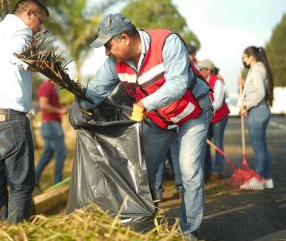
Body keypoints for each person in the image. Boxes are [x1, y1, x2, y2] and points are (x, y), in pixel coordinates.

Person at [79, 13, 212, 238]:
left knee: (189, 173)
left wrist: (144, 103)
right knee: (140, 172)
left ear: (125, 38)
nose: (107, 52)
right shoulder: (114, 64)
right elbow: (96, 90)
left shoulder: (167, 43)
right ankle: (142, 225)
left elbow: (178, 84)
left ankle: (189, 233)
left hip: (193, 113)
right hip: (160, 118)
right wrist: (80, 106)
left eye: (109, 46)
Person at [0, 0, 49, 227]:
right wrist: (37, 65)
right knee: (21, 184)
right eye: (40, 21)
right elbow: (18, 55)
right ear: (28, 14)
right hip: (9, 119)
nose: (39, 29)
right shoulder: (21, 31)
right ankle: (16, 233)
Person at [240, 46, 274, 190]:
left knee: (258, 147)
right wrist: (244, 84)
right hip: (262, 110)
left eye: (244, 57)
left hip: (258, 111)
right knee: (262, 147)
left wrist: (246, 105)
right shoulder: (258, 69)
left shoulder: (256, 70)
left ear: (251, 56)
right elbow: (256, 89)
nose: (243, 60)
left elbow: (260, 93)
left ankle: (259, 179)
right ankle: (267, 179)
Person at [197, 59, 230, 181]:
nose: (199, 71)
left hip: (219, 117)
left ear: (208, 70)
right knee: (205, 143)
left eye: (201, 69)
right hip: (207, 117)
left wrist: (206, 109)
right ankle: (207, 170)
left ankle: (217, 171)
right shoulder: (200, 82)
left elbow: (218, 103)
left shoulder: (218, 83)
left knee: (217, 143)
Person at [35, 80, 69, 188]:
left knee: (47, 154)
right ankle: (58, 182)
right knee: (61, 153)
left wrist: (62, 108)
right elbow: (43, 105)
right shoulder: (47, 86)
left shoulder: (52, 87)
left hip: (50, 125)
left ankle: (34, 181)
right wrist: (60, 111)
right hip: (51, 125)